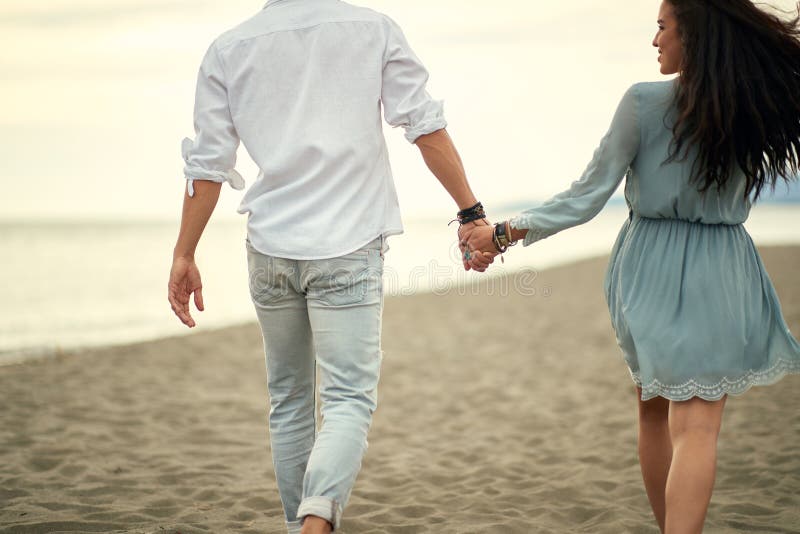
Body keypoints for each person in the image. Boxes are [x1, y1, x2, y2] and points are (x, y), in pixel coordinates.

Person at [461, 1, 800, 532]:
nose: (654, 40)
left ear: (693, 35)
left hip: (650, 268)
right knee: (699, 427)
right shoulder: (755, 105)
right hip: (725, 267)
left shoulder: (645, 101)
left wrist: (501, 234)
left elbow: (587, 196)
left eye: (662, 27)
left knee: (656, 411)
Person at [167, 1, 488, 533]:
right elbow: (424, 126)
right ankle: (317, 521)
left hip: (270, 248)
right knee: (347, 400)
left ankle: (300, 528)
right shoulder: (372, 29)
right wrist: (471, 212)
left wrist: (184, 252)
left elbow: (208, 163)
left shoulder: (230, 48)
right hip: (347, 243)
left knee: (289, 400)